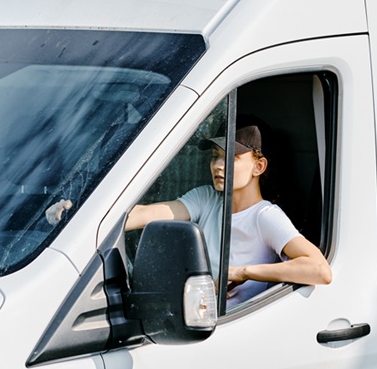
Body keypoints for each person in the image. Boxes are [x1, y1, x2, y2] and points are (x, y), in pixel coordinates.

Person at [125, 123, 331, 305]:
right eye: (215, 156)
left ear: (258, 166)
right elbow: (146, 214)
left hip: (232, 326)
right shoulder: (206, 198)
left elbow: (320, 270)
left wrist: (241, 272)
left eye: (231, 157)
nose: (217, 165)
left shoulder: (264, 215)